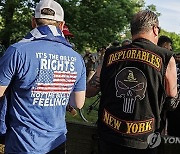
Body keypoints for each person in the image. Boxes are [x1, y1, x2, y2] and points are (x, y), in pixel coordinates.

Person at [86, 10, 178, 154]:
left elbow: (89, 91)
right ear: (155, 29)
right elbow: (172, 97)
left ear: (133, 29)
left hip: (109, 136)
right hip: (144, 139)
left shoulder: (110, 54)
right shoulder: (166, 57)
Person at [0, 0, 86, 153]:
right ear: (61, 25)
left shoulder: (17, 51)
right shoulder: (76, 58)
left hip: (23, 143)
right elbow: (78, 103)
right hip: (56, 142)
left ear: (33, 22)